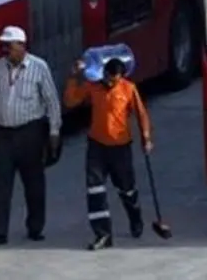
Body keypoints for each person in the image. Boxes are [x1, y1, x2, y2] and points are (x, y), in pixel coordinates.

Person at [63, 56, 153, 250]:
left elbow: (141, 113)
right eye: (108, 78)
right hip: (97, 147)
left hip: (121, 148)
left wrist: (146, 137)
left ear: (121, 77)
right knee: (95, 190)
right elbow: (70, 101)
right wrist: (73, 77)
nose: (110, 82)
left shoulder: (128, 89)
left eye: (115, 80)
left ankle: (135, 218)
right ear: (103, 73)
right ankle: (103, 234)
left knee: (127, 189)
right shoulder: (93, 87)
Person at [0, 25, 62, 246]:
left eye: (8, 45)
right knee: (0, 185)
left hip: (30, 133)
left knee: (34, 184)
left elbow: (51, 102)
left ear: (21, 46)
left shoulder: (39, 67)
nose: (4, 49)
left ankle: (35, 227)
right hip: (3, 134)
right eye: (3, 45)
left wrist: (54, 132)